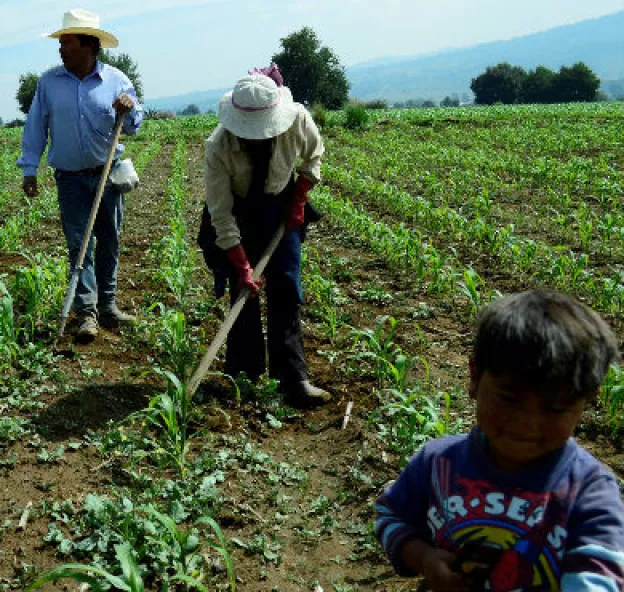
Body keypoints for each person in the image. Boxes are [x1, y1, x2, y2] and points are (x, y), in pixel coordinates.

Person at [374, 290, 624, 591]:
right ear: (475, 378)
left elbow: (597, 577)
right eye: (509, 398)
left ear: (587, 400)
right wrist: (424, 557)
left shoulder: (588, 490)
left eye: (556, 408)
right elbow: (391, 516)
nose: (527, 423)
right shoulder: (437, 463)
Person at [201, 65, 331, 408]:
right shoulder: (218, 146)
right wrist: (242, 264)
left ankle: (293, 378)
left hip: (280, 207)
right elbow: (221, 214)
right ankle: (244, 377)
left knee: (286, 286)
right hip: (239, 213)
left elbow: (313, 156)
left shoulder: (297, 120)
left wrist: (300, 197)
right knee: (243, 294)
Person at [16, 9, 143, 342]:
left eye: (67, 42)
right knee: (79, 244)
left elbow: (134, 125)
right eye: (61, 42)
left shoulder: (116, 81)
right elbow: (35, 128)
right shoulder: (49, 83)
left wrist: (128, 110)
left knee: (109, 242)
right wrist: (30, 168)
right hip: (70, 179)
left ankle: (109, 305)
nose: (61, 48)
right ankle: (87, 313)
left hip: (107, 174)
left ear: (89, 45)